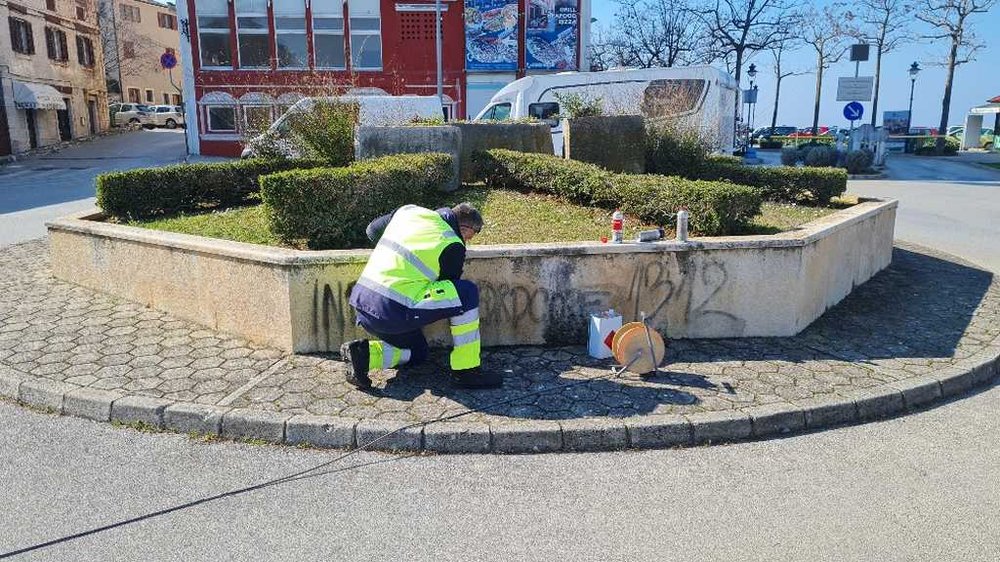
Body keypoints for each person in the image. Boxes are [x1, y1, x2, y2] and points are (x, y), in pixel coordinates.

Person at [340, 202, 501, 390]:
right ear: (464, 228)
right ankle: (467, 371)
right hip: (394, 311)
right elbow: (449, 289)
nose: (466, 241)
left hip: (363, 304)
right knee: (466, 294)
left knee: (418, 353)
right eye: (469, 237)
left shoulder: (409, 212)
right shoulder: (452, 243)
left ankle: (362, 355)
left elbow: (372, 231)